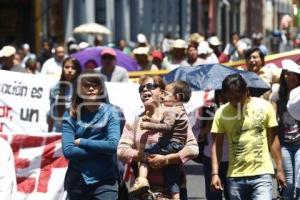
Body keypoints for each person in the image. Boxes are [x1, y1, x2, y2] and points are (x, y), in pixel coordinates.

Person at [117, 75, 199, 200]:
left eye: (150, 86)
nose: (144, 90)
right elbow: (121, 151)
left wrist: (167, 159)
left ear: (162, 92)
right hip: (142, 193)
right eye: (141, 88)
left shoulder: (176, 118)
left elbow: (193, 149)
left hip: (172, 191)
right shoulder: (133, 123)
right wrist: (145, 156)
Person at [210, 73, 286, 200]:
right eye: (230, 98)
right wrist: (215, 173)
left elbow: (273, 140)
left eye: (237, 97)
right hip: (235, 177)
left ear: (247, 91)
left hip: (262, 174)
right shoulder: (221, 113)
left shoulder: (265, 106)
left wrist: (279, 169)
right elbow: (216, 146)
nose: (234, 102)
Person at [61, 71, 121, 200]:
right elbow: (68, 151)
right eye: (86, 85)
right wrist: (102, 148)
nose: (91, 88)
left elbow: (113, 145)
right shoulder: (69, 115)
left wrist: (82, 141)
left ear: (101, 88)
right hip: (77, 180)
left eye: (95, 85)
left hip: (106, 181)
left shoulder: (112, 112)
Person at [270, 59, 300, 200]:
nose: (291, 77)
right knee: (289, 183)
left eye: (295, 74)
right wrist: (275, 118)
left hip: (299, 143)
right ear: (283, 76)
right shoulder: (276, 96)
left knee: (299, 184)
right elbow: (272, 119)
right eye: (288, 74)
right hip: (285, 145)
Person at [48, 57, 82, 132]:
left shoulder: (82, 88)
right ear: (62, 69)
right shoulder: (55, 89)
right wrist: (49, 133)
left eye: (73, 68)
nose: (70, 70)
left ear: (77, 70)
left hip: (76, 132)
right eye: (67, 67)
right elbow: (51, 114)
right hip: (58, 131)